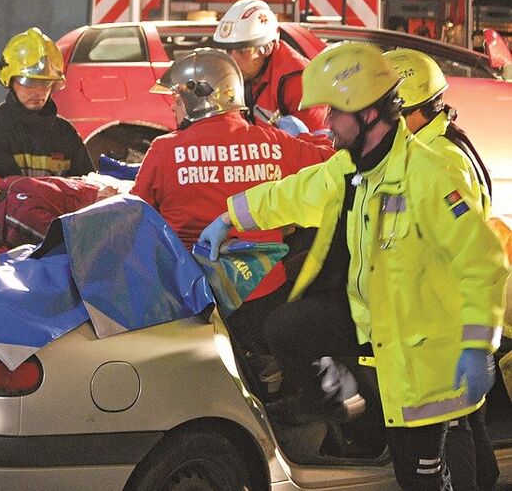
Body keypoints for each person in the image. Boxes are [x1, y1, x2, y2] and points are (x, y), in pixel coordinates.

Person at [199, 42, 508, 490]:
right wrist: (232, 216)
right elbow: (298, 192)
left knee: (430, 474)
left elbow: (483, 263)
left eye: (334, 113)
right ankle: (359, 416)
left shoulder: (434, 174)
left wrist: (478, 344)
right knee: (290, 329)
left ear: (369, 115)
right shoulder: (354, 168)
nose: (325, 124)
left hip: (427, 362)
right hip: (388, 334)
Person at [132, 48, 334, 353]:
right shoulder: (273, 142)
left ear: (196, 100)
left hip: (194, 299)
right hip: (265, 295)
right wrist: (306, 138)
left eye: (177, 98)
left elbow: (134, 216)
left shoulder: (164, 151)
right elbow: (335, 163)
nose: (172, 106)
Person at [388, 47, 498, 491]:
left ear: (412, 111)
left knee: (449, 426)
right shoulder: (433, 141)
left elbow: (466, 248)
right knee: (466, 420)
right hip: (445, 307)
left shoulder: (442, 160)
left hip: (445, 312)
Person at [0, 28, 94, 178]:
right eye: (29, 82)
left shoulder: (66, 134)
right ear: (10, 80)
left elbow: (87, 187)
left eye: (45, 83)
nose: (38, 91)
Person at [213, 0, 327, 132]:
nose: (231, 60)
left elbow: (316, 146)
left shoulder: (300, 82)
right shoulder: (245, 74)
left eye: (242, 51)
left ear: (267, 48)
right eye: (228, 51)